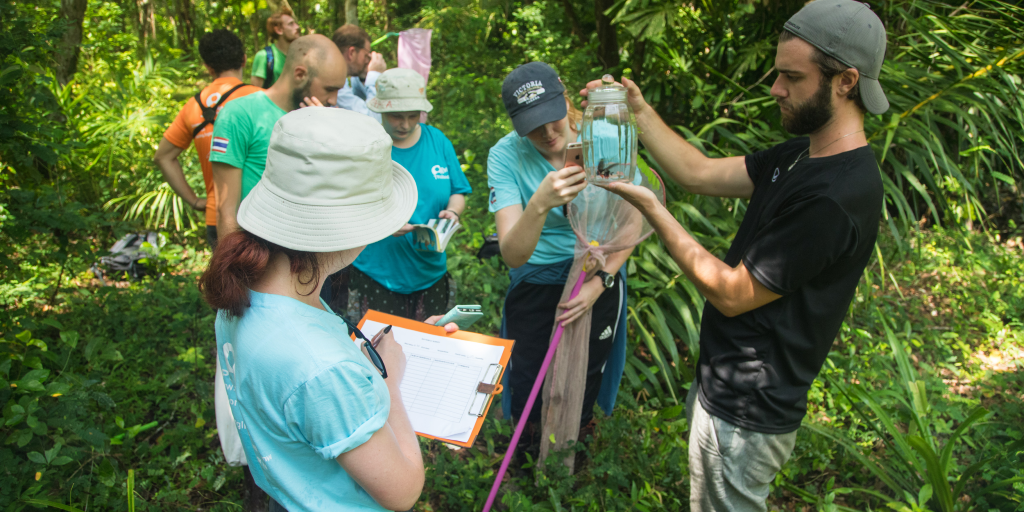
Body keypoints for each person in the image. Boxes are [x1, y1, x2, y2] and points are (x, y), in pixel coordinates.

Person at [589, 1, 888, 510]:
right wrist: (638, 110)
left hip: (748, 409)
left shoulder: (838, 194)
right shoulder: (803, 154)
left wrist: (651, 207)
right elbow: (698, 173)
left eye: (792, 77)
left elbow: (730, 293)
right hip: (723, 384)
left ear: (846, 81)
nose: (775, 88)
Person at [201, 107, 457, 512]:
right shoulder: (323, 369)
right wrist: (388, 384)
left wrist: (363, 367)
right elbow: (404, 491)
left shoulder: (244, 292)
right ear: (350, 229)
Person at [487, 62, 632, 438]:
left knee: (587, 368)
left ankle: (574, 445)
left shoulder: (603, 137)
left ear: (564, 98)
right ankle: (529, 448)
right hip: (539, 276)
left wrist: (599, 282)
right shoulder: (506, 156)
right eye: (533, 125)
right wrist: (539, 203)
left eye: (552, 117)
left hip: (598, 272)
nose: (548, 132)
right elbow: (513, 254)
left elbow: (631, 221)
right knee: (530, 371)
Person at [345, 68, 472, 322]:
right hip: (378, 274)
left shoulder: (437, 141)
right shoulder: (366, 146)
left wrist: (453, 211)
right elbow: (347, 205)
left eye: (413, 116)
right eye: (395, 116)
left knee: (429, 349)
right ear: (380, 110)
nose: (405, 124)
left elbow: (458, 191)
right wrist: (383, 223)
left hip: (431, 274)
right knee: (379, 353)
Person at [211, 34, 348, 240]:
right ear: (300, 74)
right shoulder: (240, 114)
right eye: (329, 89)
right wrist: (234, 269)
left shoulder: (324, 119)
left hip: (312, 251)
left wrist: (326, 135)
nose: (333, 99)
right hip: (258, 252)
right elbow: (226, 212)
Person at [154, 29, 261, 248]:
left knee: (226, 282)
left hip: (218, 217)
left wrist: (194, 200)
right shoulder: (260, 98)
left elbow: (163, 156)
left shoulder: (193, 106)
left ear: (208, 67)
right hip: (259, 216)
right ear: (244, 58)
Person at [331, 24, 387, 122]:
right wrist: (375, 76)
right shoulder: (335, 84)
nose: (367, 61)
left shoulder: (339, 79)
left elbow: (356, 103)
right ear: (351, 53)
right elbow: (372, 121)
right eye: (366, 55)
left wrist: (363, 78)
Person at [250, 7, 301, 88]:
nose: (297, 27)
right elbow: (256, 94)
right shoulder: (264, 57)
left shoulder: (301, 56)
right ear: (279, 30)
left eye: (295, 23)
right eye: (291, 24)